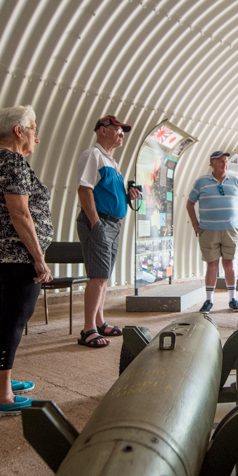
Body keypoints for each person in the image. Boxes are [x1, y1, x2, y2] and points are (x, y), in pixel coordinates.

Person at [0, 105, 53, 417]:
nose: (37, 137)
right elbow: (20, 213)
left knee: (2, 314)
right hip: (16, 252)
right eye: (33, 129)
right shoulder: (12, 160)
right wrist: (39, 259)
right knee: (14, 319)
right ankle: (2, 398)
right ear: (19, 131)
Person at [75, 114, 142, 347]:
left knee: (103, 276)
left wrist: (128, 196)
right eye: (117, 129)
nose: (121, 134)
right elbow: (84, 190)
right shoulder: (93, 155)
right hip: (99, 222)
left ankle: (100, 322)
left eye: (123, 131)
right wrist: (95, 224)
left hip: (112, 223)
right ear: (103, 130)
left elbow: (109, 193)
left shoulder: (112, 161)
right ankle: (88, 329)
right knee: (98, 276)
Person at [186, 151, 238, 313]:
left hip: (231, 230)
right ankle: (209, 301)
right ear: (211, 163)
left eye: (226, 161)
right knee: (212, 264)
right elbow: (190, 203)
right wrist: (195, 224)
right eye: (220, 161)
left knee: (229, 264)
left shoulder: (235, 182)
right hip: (208, 230)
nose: (224, 164)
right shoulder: (201, 182)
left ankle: (232, 299)